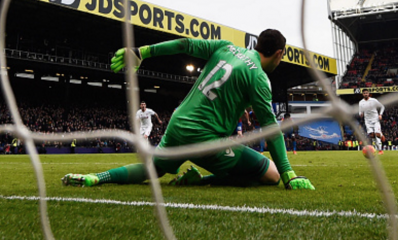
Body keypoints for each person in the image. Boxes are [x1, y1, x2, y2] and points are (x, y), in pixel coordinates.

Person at [62, 30, 314, 190]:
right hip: (206, 141)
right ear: (279, 54)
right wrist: (288, 174)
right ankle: (202, 181)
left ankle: (97, 178)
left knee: (153, 169)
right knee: (270, 176)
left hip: (177, 124)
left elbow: (184, 44)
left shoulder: (225, 47)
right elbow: (271, 128)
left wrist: (143, 52)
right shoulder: (258, 77)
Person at [358, 90, 385, 154]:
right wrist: (360, 114)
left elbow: (382, 107)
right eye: (364, 93)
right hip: (367, 121)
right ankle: (379, 150)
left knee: (377, 134)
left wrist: (380, 114)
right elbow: (360, 111)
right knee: (372, 136)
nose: (366, 94)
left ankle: (381, 136)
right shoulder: (361, 102)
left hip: (375, 120)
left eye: (367, 93)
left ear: (369, 94)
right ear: (363, 94)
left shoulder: (373, 100)